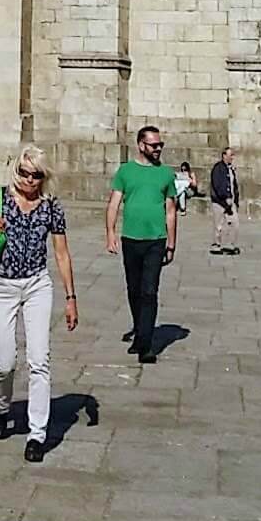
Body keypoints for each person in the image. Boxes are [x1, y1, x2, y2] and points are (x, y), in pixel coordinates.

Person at [0, 145, 77, 462]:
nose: (29, 180)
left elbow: (61, 253)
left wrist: (71, 297)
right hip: (1, 286)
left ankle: (36, 434)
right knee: (4, 362)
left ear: (44, 177)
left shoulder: (50, 206)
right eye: (24, 173)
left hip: (36, 285)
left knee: (39, 359)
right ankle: (1, 407)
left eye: (36, 175)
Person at [106, 126, 178, 363]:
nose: (158, 149)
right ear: (141, 145)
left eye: (160, 145)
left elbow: (170, 210)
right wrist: (110, 232)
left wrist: (171, 243)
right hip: (130, 239)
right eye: (153, 145)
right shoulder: (125, 172)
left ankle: (146, 346)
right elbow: (114, 203)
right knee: (134, 290)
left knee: (149, 291)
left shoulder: (166, 174)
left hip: (156, 241)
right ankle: (139, 332)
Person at [208, 146, 241, 254]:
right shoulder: (218, 168)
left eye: (232, 155)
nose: (232, 157)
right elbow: (217, 184)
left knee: (234, 223)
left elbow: (233, 185)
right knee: (218, 224)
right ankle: (216, 245)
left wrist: (235, 200)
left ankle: (230, 245)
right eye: (230, 155)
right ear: (224, 155)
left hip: (231, 202)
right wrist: (225, 196)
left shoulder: (231, 169)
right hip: (219, 201)